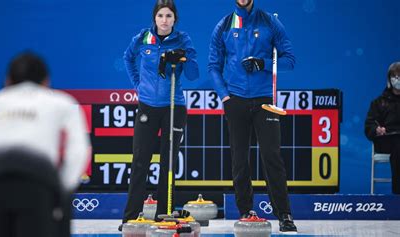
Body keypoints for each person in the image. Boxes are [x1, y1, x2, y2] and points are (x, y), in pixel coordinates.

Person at [0, 52, 91, 237]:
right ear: (46, 81)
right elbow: (78, 151)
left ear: (7, 81)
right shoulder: (61, 103)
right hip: (37, 180)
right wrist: (63, 188)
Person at [208, 0, 297, 233]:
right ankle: (246, 211)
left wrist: (263, 63)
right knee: (239, 158)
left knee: (271, 156)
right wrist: (225, 96)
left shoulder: (270, 21)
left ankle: (284, 214)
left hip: (265, 100)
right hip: (235, 100)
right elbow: (213, 66)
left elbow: (289, 61)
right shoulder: (224, 25)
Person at [120, 0, 199, 229]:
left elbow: (193, 75)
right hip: (147, 105)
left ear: (175, 19)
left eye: (169, 16)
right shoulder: (144, 38)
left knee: (168, 162)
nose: (164, 20)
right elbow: (128, 58)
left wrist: (184, 57)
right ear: (155, 18)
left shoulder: (183, 39)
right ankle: (131, 216)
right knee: (140, 161)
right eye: (161, 16)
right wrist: (139, 85)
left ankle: (163, 214)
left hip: (173, 106)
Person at [365, 61, 400, 194]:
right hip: (386, 140)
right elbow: (369, 124)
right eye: (395, 76)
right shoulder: (379, 102)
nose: (398, 80)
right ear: (389, 79)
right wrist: (376, 130)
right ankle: (398, 197)